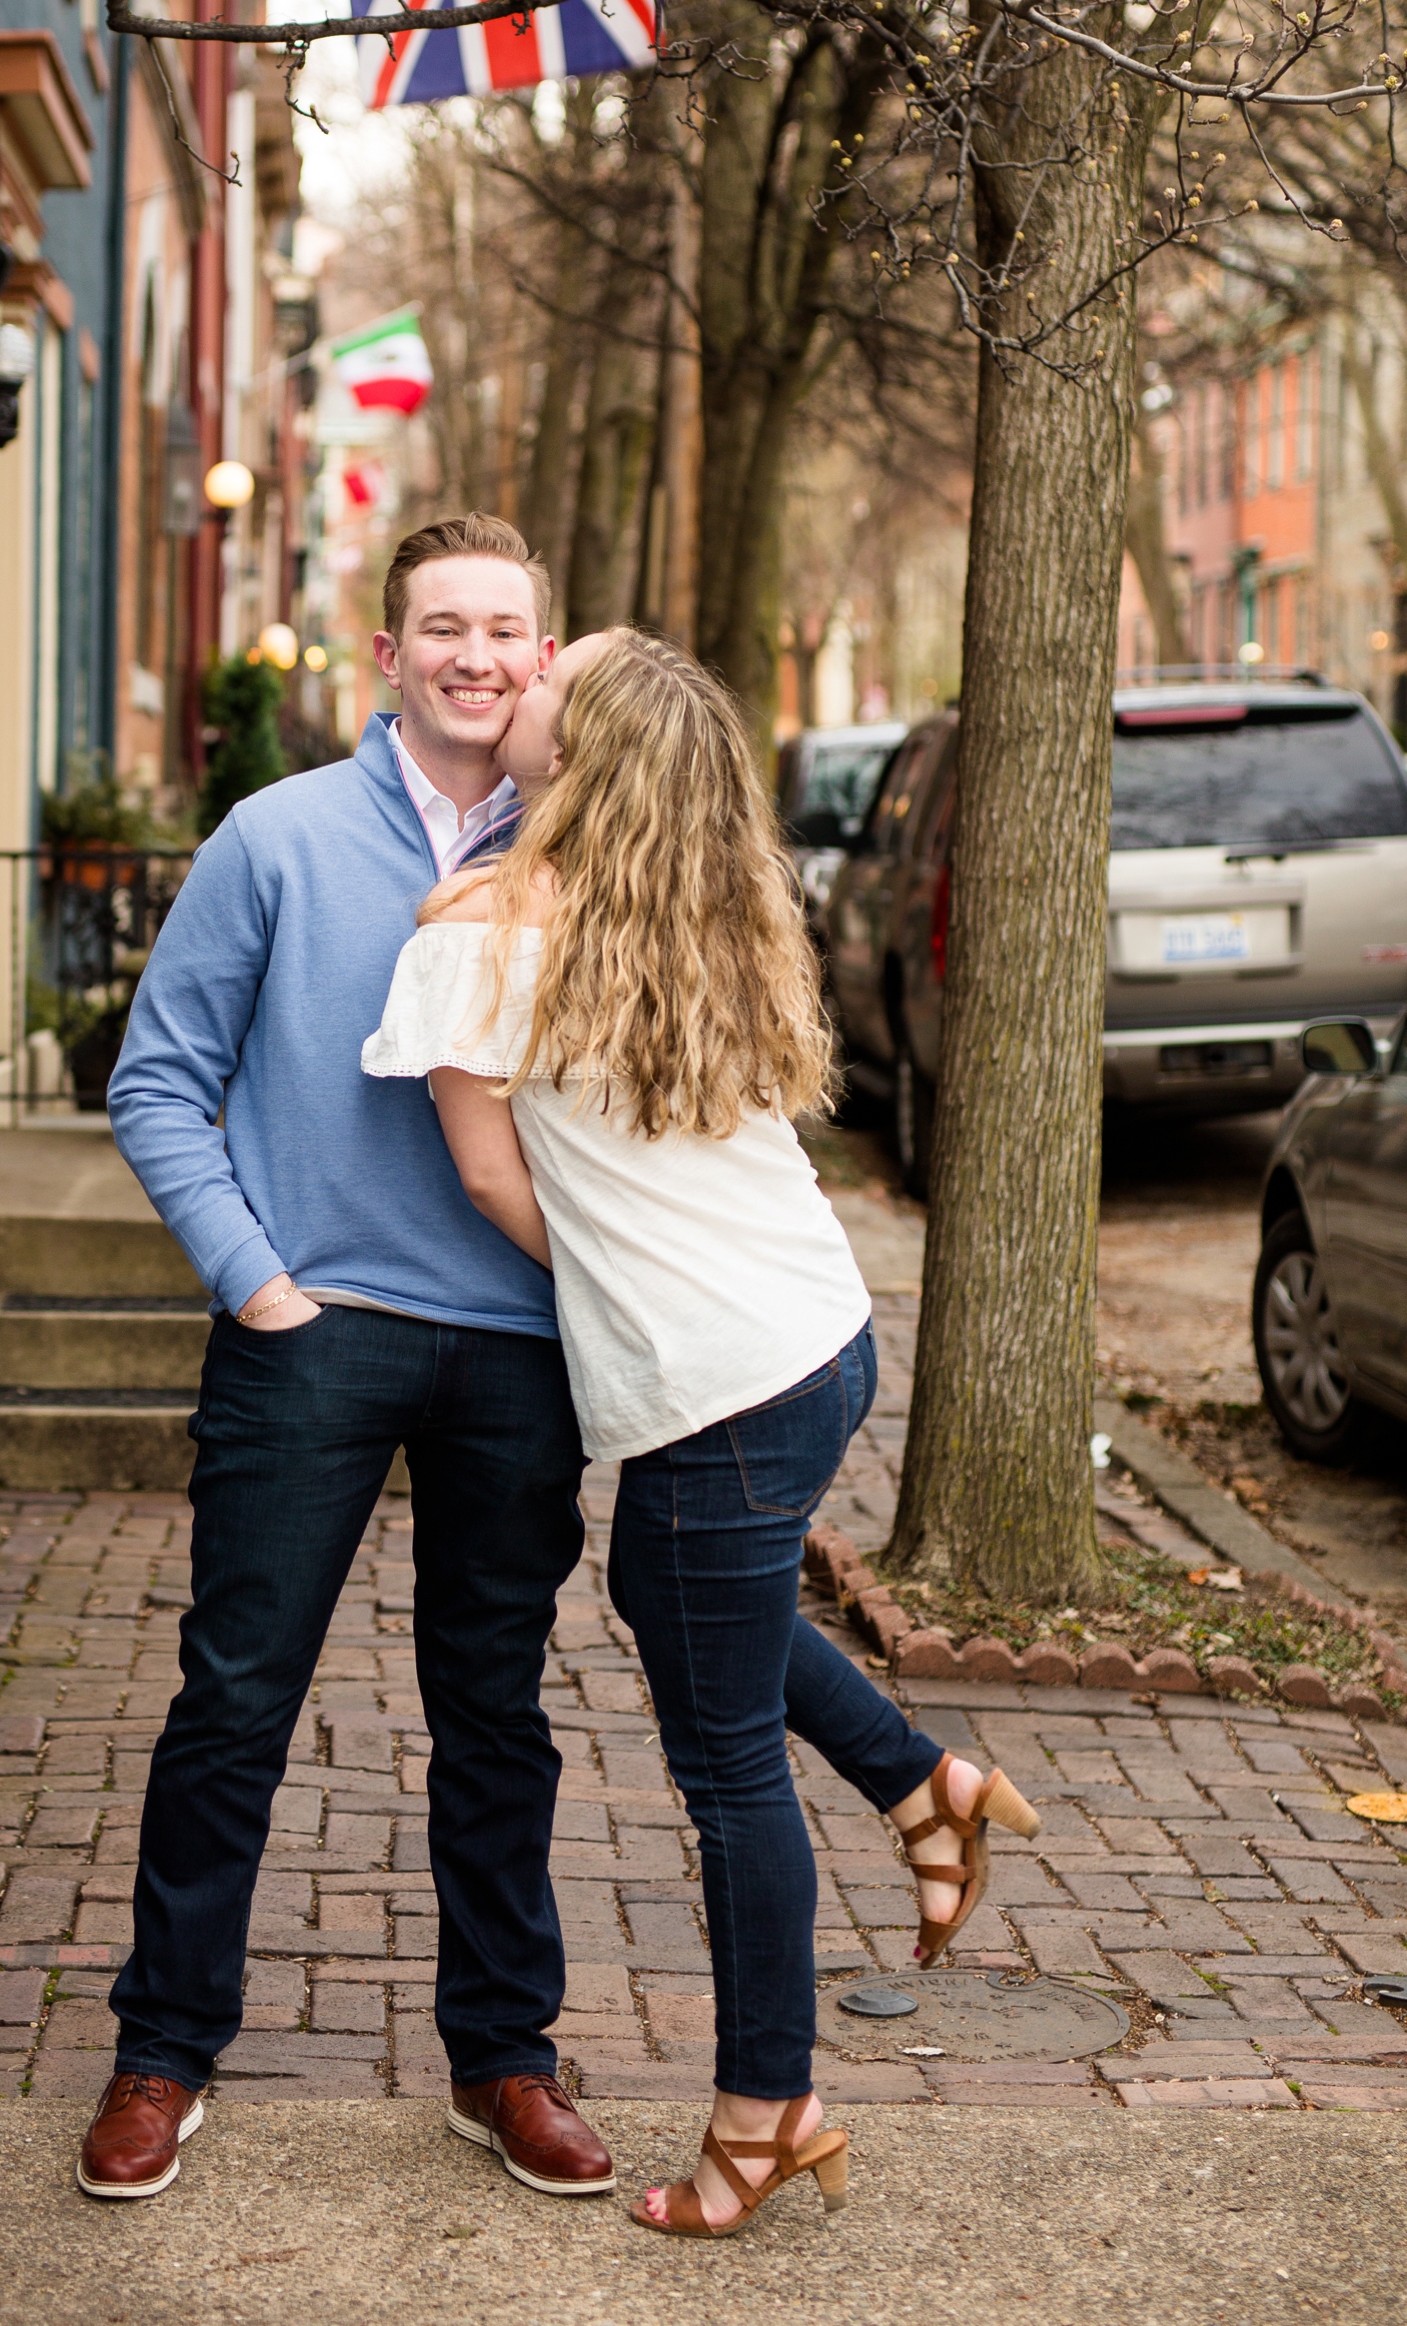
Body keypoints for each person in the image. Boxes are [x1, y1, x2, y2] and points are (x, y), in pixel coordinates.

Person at [363, 629, 1039, 2236]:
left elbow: (489, 1179)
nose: (512, 673)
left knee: (725, 1763)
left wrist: (602, 1284)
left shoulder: (477, 930)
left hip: (719, 1386)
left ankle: (767, 2108)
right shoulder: (710, 910)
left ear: (580, 753)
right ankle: (922, 1784)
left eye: (543, 676)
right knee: (674, 1608)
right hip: (818, 1337)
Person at [84, 515, 617, 2206]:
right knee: (235, 1698)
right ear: (386, 653)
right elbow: (157, 1079)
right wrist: (255, 1283)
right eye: (441, 626)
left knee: (497, 1712)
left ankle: (505, 2063)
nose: (475, 655)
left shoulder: (598, 849)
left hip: (521, 1343)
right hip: (312, 1333)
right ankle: (163, 2050)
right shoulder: (278, 837)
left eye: (506, 631)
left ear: (546, 657)